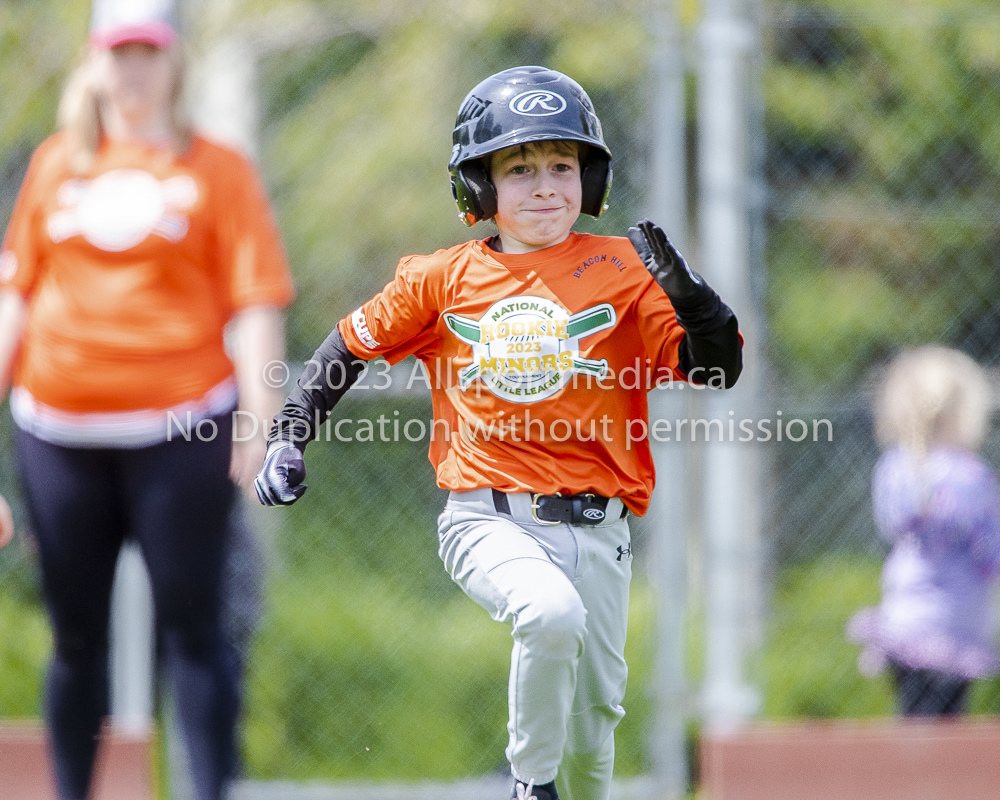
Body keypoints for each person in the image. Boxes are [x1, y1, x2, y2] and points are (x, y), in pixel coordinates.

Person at [254, 66, 742, 800]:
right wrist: (289, 433)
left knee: (593, 740)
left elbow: (716, 373)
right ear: (478, 187)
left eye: (561, 166)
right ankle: (528, 786)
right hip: (487, 517)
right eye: (519, 170)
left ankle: (556, 783)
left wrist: (696, 305)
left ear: (591, 178)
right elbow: (345, 348)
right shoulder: (440, 279)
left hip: (601, 530)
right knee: (549, 615)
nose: (545, 186)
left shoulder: (622, 270)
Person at [0, 1, 295, 798]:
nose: (132, 68)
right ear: (94, 62)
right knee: (75, 638)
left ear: (175, 63)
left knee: (196, 630)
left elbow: (257, 303)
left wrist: (262, 425)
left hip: (181, 428)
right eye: (118, 51)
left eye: (148, 52)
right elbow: (14, 301)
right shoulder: (57, 165)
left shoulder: (217, 171)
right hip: (58, 431)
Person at [848, 346, 1000, 716]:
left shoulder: (895, 468)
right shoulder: (970, 475)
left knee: (915, 719)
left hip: (904, 618)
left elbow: (889, 524)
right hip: (953, 622)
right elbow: (990, 548)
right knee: (947, 725)